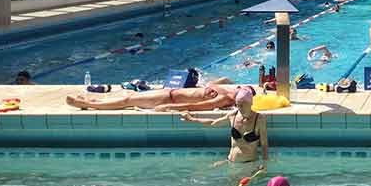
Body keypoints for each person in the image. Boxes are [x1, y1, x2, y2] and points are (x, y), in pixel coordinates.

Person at [181, 87, 268, 164]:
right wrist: (192, 119)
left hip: (248, 164)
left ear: (250, 103)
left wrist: (264, 164)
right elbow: (213, 122)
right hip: (231, 161)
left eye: (242, 105)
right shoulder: (233, 115)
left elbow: (264, 144)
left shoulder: (259, 119)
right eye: (237, 105)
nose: (239, 108)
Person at [66, 80, 241, 112]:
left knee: (127, 100)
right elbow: (218, 80)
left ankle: (89, 105)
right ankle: (93, 100)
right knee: (130, 94)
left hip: (167, 99)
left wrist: (169, 107)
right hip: (168, 93)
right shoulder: (225, 89)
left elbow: (196, 106)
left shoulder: (225, 98)